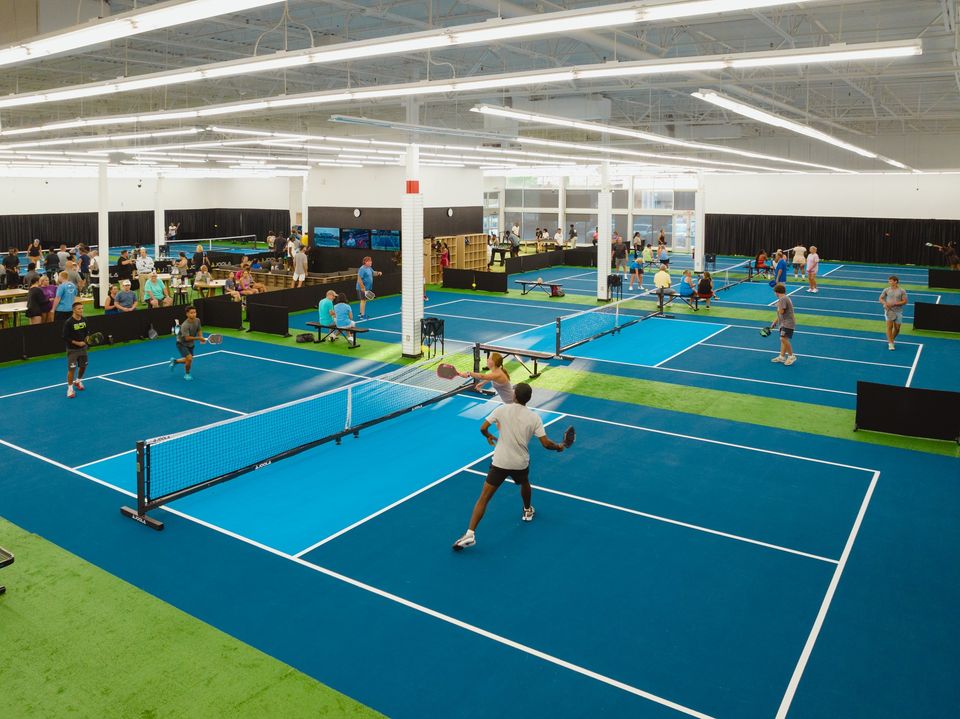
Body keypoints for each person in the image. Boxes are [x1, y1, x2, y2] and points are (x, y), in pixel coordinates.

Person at [451, 382, 566, 551]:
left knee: (483, 498)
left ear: (514, 396)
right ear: (529, 399)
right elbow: (546, 443)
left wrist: (489, 436)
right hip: (519, 463)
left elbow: (483, 428)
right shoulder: (534, 418)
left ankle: (470, 534)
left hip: (500, 462)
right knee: (525, 482)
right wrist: (558, 447)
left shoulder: (501, 410)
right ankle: (527, 510)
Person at [62, 301, 90, 399]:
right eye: (79, 309)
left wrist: (86, 340)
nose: (81, 310)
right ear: (74, 310)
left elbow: (87, 333)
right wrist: (77, 342)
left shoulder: (84, 320)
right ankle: (70, 388)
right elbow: (65, 337)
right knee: (72, 369)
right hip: (72, 350)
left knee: (83, 366)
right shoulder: (68, 322)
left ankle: (78, 381)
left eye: (82, 308)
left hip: (83, 348)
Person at [169, 306, 205, 381]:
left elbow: (199, 329)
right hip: (181, 343)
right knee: (189, 358)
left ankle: (175, 361)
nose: (194, 314)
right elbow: (187, 338)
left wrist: (201, 337)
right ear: (187, 314)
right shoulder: (185, 325)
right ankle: (187, 374)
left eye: (195, 312)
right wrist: (199, 338)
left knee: (188, 359)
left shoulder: (197, 320)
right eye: (191, 313)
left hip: (190, 343)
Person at [770, 283, 797, 365]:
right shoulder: (784, 298)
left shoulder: (782, 299)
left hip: (787, 323)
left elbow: (781, 311)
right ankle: (782, 357)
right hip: (783, 323)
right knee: (783, 339)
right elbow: (781, 314)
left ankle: (791, 356)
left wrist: (778, 306)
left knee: (783, 339)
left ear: (777, 292)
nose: (774, 294)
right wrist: (775, 321)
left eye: (775, 292)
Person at [879, 275, 908, 350]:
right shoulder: (886, 290)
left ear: (895, 281)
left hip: (898, 311)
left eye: (891, 281)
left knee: (897, 328)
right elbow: (881, 298)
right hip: (888, 311)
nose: (889, 282)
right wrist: (884, 303)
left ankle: (891, 339)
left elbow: (905, 301)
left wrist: (894, 304)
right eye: (889, 281)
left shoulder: (902, 290)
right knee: (889, 327)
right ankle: (891, 343)